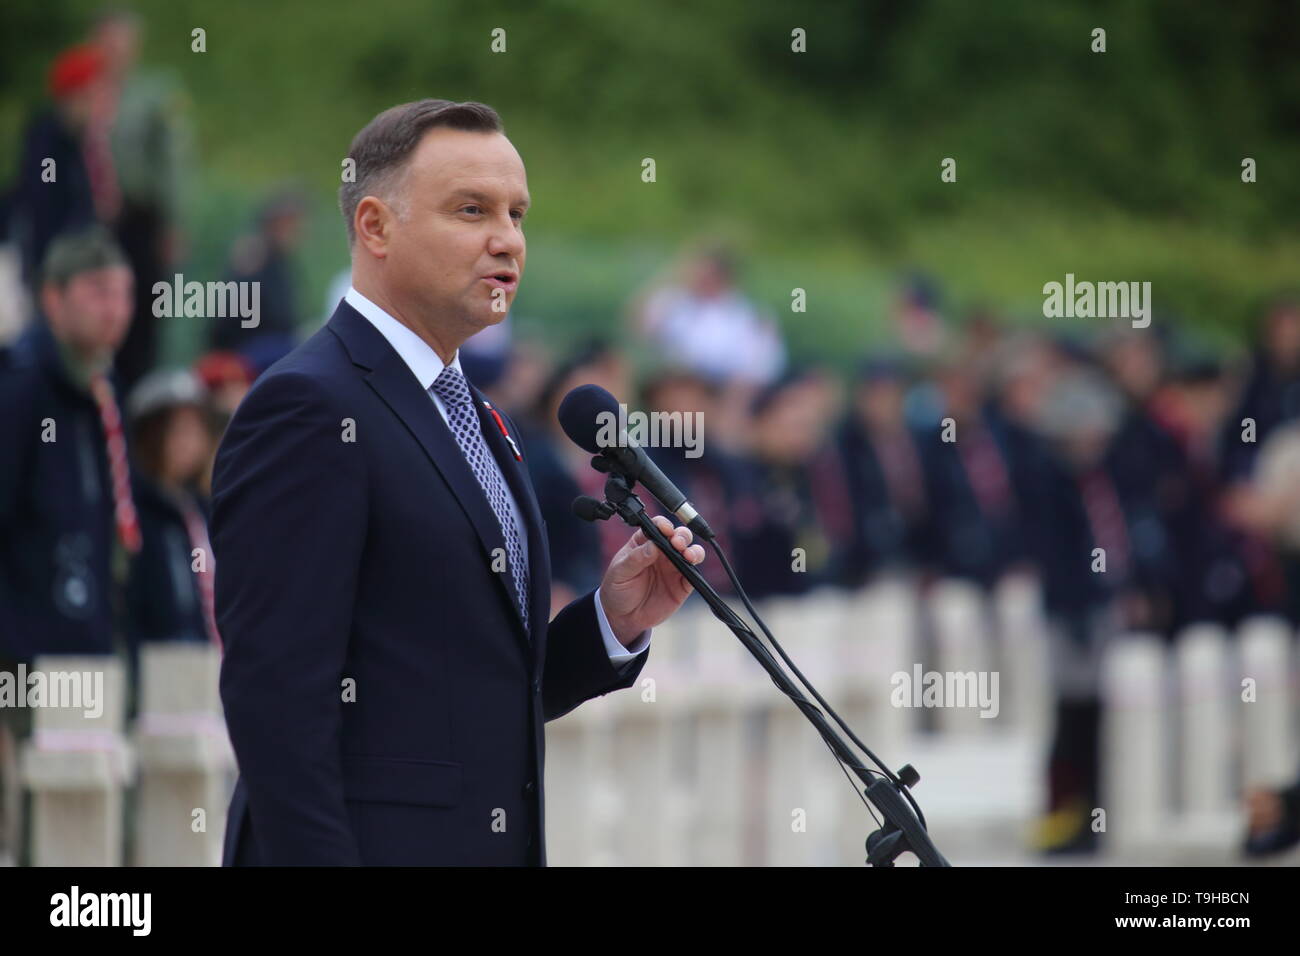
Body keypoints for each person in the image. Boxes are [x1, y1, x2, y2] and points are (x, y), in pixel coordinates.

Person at [212, 99, 706, 866]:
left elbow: (470, 697)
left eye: (517, 214)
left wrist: (609, 620)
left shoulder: (472, 411)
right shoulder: (308, 407)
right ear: (374, 227)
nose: (506, 239)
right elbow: (276, 701)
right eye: (471, 210)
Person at [0, 226, 135, 865]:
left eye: (125, 293)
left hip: (88, 651)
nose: (116, 307)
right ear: (52, 300)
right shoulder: (20, 389)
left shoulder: (100, 393)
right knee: (36, 829)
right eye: (99, 291)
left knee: (85, 837)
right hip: (27, 661)